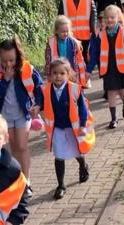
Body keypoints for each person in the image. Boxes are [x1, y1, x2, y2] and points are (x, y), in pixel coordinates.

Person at [0, 38, 43, 196]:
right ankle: (13, 182)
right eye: (4, 60)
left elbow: (39, 87)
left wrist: (38, 105)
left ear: (18, 56)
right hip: (4, 117)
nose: (8, 64)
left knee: (22, 147)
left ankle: (26, 183)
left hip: (22, 115)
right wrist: (4, 79)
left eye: (11, 60)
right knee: (9, 150)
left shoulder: (27, 68)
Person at [41, 58, 95, 200]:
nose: (58, 76)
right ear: (50, 75)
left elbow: (83, 108)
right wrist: (35, 108)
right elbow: (40, 103)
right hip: (57, 128)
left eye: (61, 73)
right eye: (55, 73)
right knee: (59, 156)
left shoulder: (75, 88)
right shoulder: (46, 90)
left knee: (77, 151)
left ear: (67, 74)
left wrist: (83, 125)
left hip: (72, 128)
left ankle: (83, 166)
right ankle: (61, 185)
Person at [87, 5, 124, 129]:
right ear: (104, 19)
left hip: (122, 69)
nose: (109, 20)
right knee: (111, 93)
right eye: (107, 18)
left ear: (118, 18)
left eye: (112, 17)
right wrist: (89, 70)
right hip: (108, 69)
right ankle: (114, 119)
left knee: (122, 92)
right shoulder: (100, 35)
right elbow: (94, 54)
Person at [44, 15, 90, 88]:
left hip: (72, 73)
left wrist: (83, 76)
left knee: (72, 91)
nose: (65, 33)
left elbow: (80, 60)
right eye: (62, 32)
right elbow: (48, 60)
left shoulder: (74, 43)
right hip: (57, 73)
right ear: (56, 31)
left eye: (67, 31)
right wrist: (47, 75)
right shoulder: (51, 42)